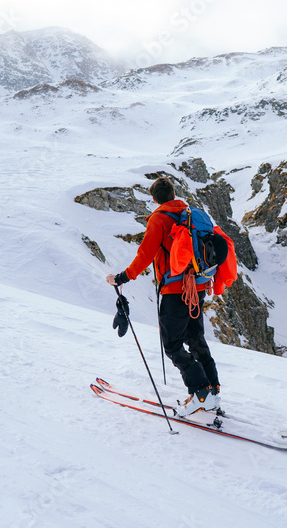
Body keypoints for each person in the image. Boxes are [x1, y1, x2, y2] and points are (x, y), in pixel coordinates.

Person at [105, 176, 221, 416]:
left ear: (154, 198)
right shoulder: (189, 214)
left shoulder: (159, 218)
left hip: (175, 290)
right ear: (173, 194)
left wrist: (122, 277)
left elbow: (145, 254)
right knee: (195, 338)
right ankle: (212, 391)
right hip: (197, 287)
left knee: (172, 344)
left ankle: (201, 393)